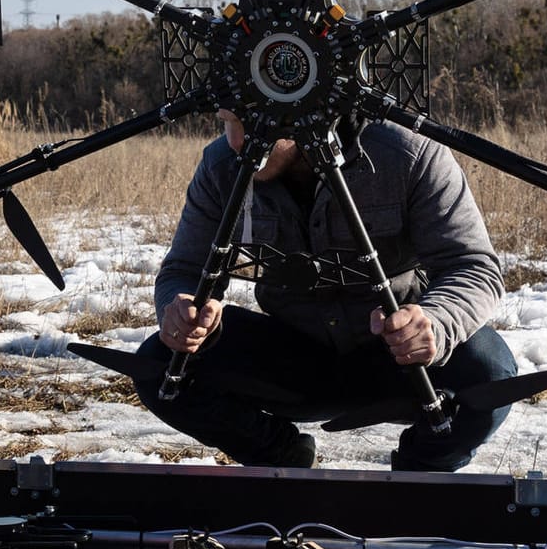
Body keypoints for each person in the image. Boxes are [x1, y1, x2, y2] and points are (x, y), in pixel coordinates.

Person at [137, 111, 516, 471]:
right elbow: (184, 269)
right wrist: (182, 310)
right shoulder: (222, 165)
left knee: (491, 371)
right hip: (293, 356)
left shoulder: (407, 152)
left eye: (253, 125)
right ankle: (282, 460)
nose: (237, 142)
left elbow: (473, 267)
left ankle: (416, 476)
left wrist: (435, 323)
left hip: (399, 358)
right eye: (227, 123)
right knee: (159, 365)